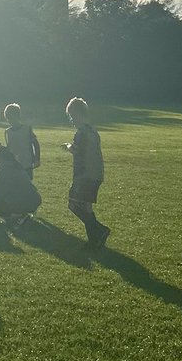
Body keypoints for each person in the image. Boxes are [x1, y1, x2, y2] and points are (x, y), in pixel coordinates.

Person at [62, 96, 109, 249]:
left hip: (85, 174)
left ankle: (100, 231)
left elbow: (78, 151)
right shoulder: (93, 131)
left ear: (77, 114)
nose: (71, 120)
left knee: (74, 204)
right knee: (86, 207)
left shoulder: (82, 133)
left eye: (71, 116)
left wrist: (68, 146)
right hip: (96, 173)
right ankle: (95, 239)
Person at [0, 146, 41, 229]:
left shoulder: (2, 170)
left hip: (19, 203)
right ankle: (22, 215)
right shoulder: (18, 165)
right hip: (34, 200)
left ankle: (17, 216)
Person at [3, 103, 41, 180]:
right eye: (8, 118)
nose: (10, 121)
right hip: (13, 164)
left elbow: (35, 144)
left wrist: (37, 159)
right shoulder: (7, 132)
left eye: (12, 118)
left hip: (26, 163)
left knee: (27, 184)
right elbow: (9, 148)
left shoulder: (27, 129)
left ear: (18, 117)